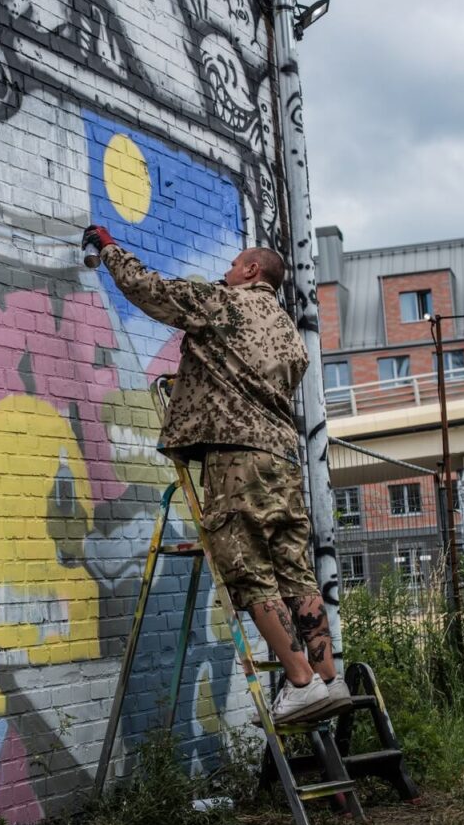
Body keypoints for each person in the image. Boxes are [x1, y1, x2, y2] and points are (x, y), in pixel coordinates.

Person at [81, 225, 352, 724]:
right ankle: (328, 679)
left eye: (232, 266)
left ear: (251, 270)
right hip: (283, 462)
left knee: (247, 572)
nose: (225, 273)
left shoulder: (225, 304)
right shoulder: (289, 333)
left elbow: (151, 291)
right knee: (295, 571)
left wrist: (111, 249)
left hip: (236, 461)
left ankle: (298, 682)